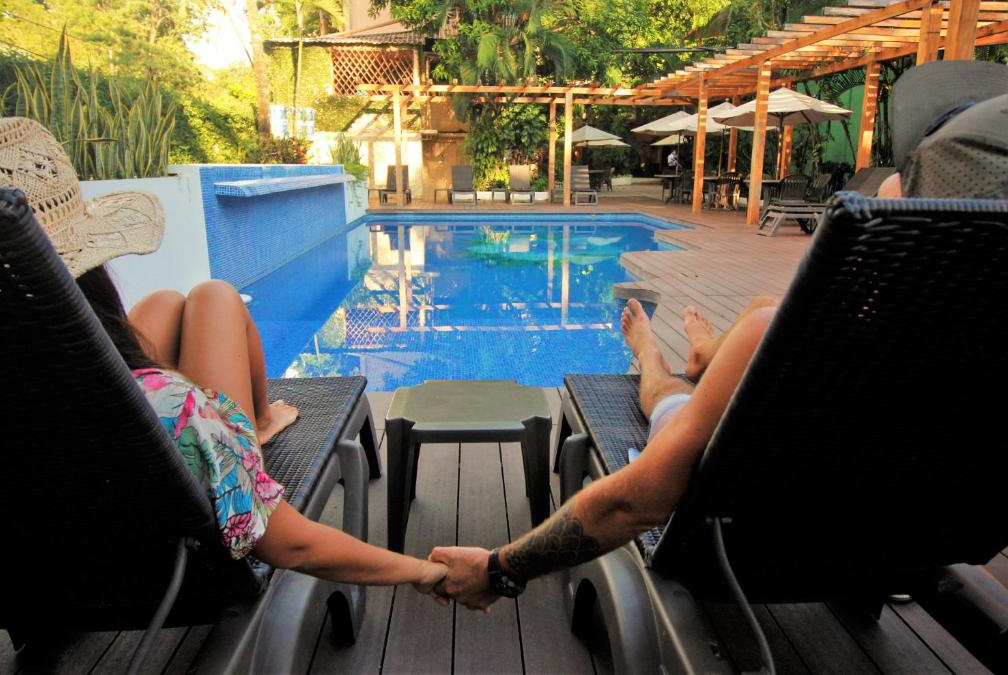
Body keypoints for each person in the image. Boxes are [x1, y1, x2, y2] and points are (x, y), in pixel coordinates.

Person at [428, 59, 1008, 612]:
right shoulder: (969, 373)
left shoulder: (793, 346)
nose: (884, 181)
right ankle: (708, 352)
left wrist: (501, 567)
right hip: (903, 543)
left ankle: (655, 355)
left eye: (903, 172)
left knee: (678, 392)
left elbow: (637, 501)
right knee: (762, 309)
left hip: (749, 545)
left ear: (913, 207)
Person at [0, 117, 447, 595]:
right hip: (162, 562)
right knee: (215, 296)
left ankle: (259, 418)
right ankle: (259, 422)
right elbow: (292, 546)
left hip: (37, 548)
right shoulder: (168, 405)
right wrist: (428, 570)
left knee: (166, 303)